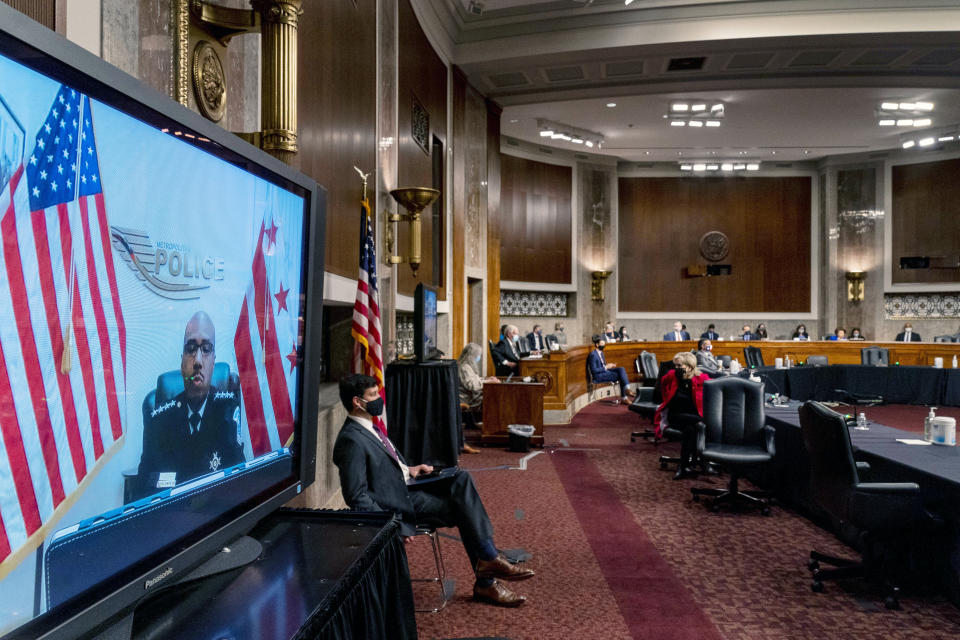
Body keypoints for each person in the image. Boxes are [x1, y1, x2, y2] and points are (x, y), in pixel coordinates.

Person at [333, 375, 535, 607]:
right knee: (463, 508)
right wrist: (390, 523)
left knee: (461, 478)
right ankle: (487, 572)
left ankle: (488, 564)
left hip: (408, 484)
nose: (379, 399)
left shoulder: (369, 427)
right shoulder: (351, 440)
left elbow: (384, 467)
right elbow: (355, 495)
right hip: (398, 503)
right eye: (373, 396)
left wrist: (410, 469)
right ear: (357, 402)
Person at [138, 311, 245, 488]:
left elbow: (239, 484)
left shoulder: (227, 410)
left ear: (213, 362)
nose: (197, 361)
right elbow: (143, 489)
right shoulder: (158, 420)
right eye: (191, 349)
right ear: (182, 363)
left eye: (206, 349)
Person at [654, 352, 710, 480]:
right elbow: (661, 391)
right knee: (701, 423)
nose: (676, 368)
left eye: (679, 366)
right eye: (675, 366)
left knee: (690, 430)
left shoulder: (701, 379)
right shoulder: (672, 377)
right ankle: (703, 462)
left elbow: (713, 392)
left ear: (690, 366)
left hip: (692, 418)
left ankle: (683, 466)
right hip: (675, 416)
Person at [457, 343, 496, 454]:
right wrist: (487, 381)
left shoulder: (466, 365)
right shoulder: (464, 367)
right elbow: (472, 386)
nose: (479, 358)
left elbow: (474, 380)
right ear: (472, 355)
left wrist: (486, 379)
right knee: (492, 400)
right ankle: (491, 430)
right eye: (478, 356)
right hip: (467, 399)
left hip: (470, 395)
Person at [586, 334, 635, 403]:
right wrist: (606, 367)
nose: (604, 345)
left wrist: (610, 365)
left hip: (605, 371)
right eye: (602, 344)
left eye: (604, 344)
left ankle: (627, 389)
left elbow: (603, 365)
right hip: (599, 376)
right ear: (597, 345)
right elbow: (594, 370)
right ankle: (624, 397)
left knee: (621, 369)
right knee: (620, 376)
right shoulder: (593, 355)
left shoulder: (601, 353)